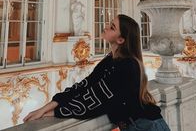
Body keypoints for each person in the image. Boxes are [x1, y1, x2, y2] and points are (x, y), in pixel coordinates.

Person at [24, 14, 171, 131]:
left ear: (120, 40)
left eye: (112, 27)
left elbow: (98, 101)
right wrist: (47, 106)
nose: (106, 27)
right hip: (135, 126)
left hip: (148, 126)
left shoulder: (128, 66)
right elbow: (85, 85)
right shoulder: (109, 61)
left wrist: (57, 112)